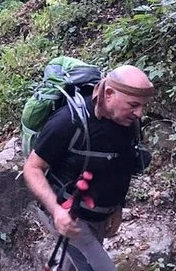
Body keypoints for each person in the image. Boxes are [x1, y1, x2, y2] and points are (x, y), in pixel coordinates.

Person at [23, 65, 155, 271]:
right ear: (109, 94)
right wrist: (56, 211)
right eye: (133, 105)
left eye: (142, 106)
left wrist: (117, 208)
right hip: (67, 213)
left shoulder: (128, 124)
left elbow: (121, 167)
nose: (139, 113)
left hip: (98, 217)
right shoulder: (68, 122)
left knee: (74, 264)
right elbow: (32, 168)